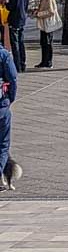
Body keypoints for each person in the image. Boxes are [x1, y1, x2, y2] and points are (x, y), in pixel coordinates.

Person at [0, 40, 16, 191]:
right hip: (1, 105)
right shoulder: (4, 54)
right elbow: (13, 79)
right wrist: (10, 98)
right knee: (3, 145)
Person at [33, 0, 59, 70]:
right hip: (44, 24)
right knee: (43, 43)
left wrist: (39, 14)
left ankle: (48, 62)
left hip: (48, 23)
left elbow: (51, 11)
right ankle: (44, 61)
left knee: (47, 43)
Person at [6, 0, 28, 73]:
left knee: (15, 44)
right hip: (22, 19)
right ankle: (23, 64)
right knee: (21, 42)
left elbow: (10, 7)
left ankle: (17, 65)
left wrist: (7, 2)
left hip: (14, 20)